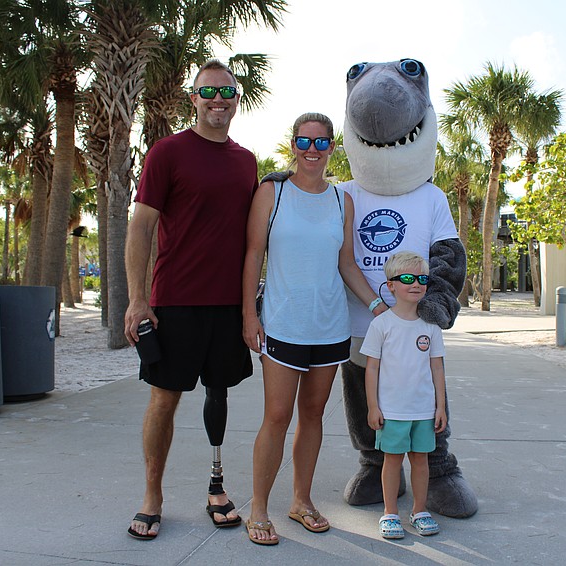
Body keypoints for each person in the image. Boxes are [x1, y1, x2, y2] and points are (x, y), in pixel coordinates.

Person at [124, 59, 257, 540]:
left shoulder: (246, 161)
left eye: (227, 91)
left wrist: (250, 308)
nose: (218, 99)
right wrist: (138, 300)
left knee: (219, 392)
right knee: (164, 401)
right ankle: (152, 496)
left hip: (226, 305)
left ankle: (217, 488)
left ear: (236, 98)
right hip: (174, 301)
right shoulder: (167, 152)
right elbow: (141, 225)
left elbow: (252, 235)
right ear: (194, 97)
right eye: (209, 92)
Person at [241, 112, 386, 545]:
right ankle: (259, 509)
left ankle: (300, 501)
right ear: (293, 145)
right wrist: (249, 315)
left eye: (321, 143)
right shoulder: (272, 192)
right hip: (283, 325)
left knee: (312, 415)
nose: (312, 150)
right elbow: (253, 255)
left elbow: (346, 263)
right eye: (304, 142)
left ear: (332, 149)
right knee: (278, 416)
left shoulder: (343, 200)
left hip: (329, 327)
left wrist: (379, 305)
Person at [361, 251, 447, 539]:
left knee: (421, 461)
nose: (416, 284)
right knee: (393, 461)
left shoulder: (431, 326)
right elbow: (371, 368)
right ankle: (390, 513)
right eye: (408, 278)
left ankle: (420, 511)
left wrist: (441, 407)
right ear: (391, 285)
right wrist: (373, 406)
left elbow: (437, 366)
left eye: (422, 278)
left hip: (423, 411)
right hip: (393, 412)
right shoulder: (381, 325)